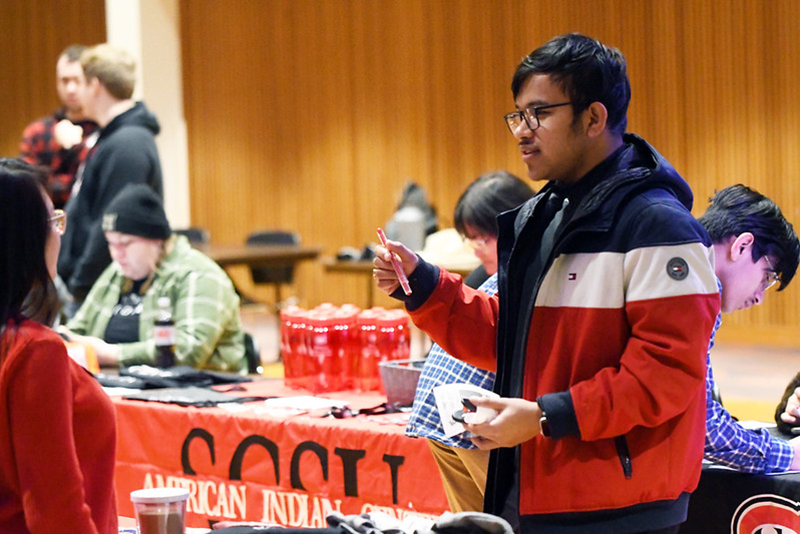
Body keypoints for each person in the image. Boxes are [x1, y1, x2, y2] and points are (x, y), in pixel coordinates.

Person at [374, 33, 719, 534]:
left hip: (623, 508)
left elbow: (663, 376)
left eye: (540, 113)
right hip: (536, 486)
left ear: (594, 118)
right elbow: (513, 339)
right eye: (517, 114)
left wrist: (542, 416)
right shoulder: (542, 215)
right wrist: (424, 286)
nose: (522, 130)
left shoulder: (660, 227)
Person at [0, 158, 117, 533]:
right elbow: (56, 512)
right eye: (53, 222)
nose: (60, 234)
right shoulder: (35, 351)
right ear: (24, 239)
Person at [406, 171, 533, 512]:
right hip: (464, 422)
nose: (476, 250)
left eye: (484, 239)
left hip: (452, 418)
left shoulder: (526, 270)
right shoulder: (499, 275)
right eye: (471, 239)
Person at [61, 184, 247, 373]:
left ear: (156, 240)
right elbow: (75, 332)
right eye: (111, 244)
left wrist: (112, 353)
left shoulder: (199, 275)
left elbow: (189, 351)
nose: (117, 254)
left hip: (198, 393)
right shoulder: (116, 273)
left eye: (125, 244)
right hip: (117, 387)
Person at [697, 184, 799, 472]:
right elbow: (706, 429)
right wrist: (789, 456)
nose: (759, 297)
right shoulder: (694, 290)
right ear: (741, 246)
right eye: (766, 278)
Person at [57, 43, 163, 308]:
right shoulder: (113, 138)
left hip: (96, 291)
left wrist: (79, 287)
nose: (74, 92)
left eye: (80, 82)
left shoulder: (127, 144)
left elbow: (111, 224)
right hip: (91, 287)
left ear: (94, 86)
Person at [19, 45, 99, 209]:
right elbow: (24, 188)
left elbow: (95, 188)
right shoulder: (37, 132)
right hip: (46, 226)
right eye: (65, 80)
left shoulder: (103, 132)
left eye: (77, 80)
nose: (71, 89)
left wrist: (76, 147)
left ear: (92, 82)